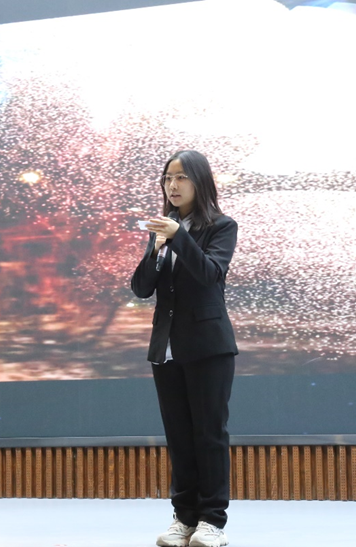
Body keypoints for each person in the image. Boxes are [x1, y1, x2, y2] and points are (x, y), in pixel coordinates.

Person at [131, 150, 238, 547]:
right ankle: (184, 518)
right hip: (167, 348)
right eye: (167, 178)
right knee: (179, 436)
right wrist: (157, 249)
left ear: (199, 181)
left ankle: (212, 521)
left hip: (208, 347)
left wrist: (180, 238)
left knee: (209, 434)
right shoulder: (163, 229)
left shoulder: (222, 226)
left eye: (180, 178)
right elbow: (141, 288)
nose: (172, 186)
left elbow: (210, 275)